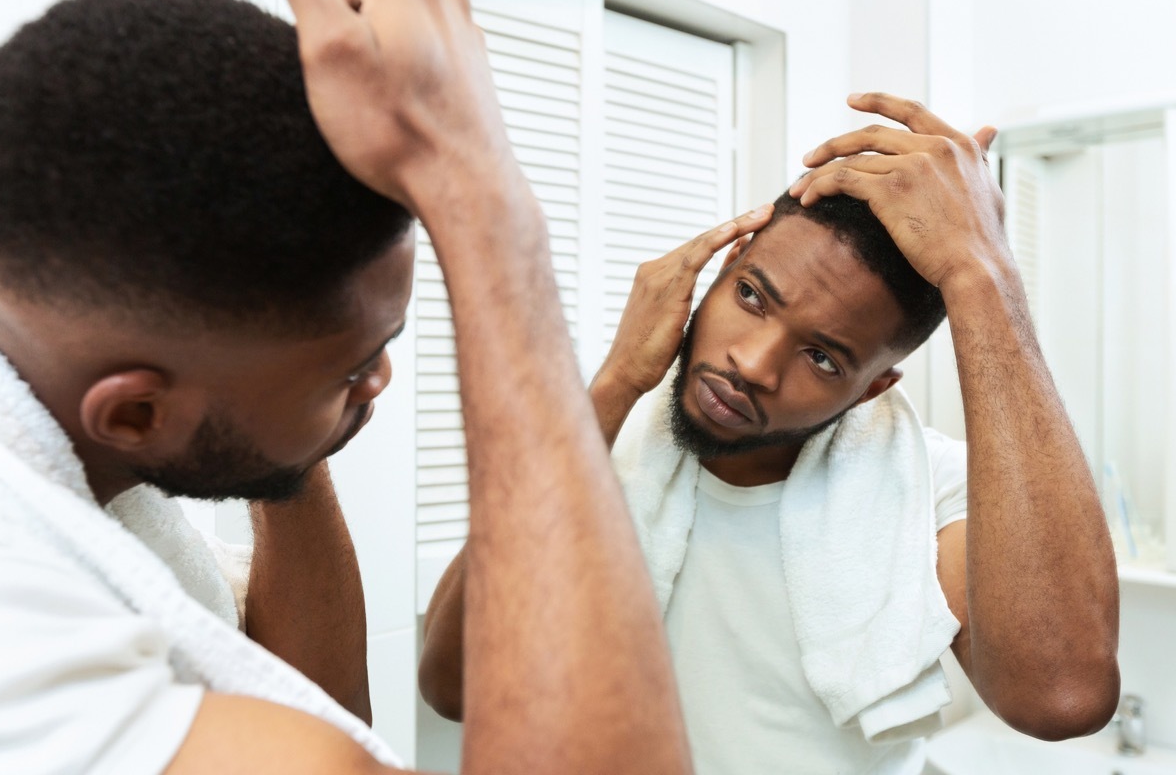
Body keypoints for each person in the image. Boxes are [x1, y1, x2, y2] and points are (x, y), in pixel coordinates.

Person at [0, 0, 694, 774]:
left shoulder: (64, 434)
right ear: (137, 414)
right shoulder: (5, 633)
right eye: (352, 368)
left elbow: (316, 705)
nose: (379, 378)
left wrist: (279, 428)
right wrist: (481, 202)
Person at [419, 94, 1122, 773]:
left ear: (873, 387)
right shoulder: (600, 442)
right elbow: (452, 685)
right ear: (722, 268)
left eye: (823, 357)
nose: (750, 365)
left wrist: (983, 273)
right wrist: (611, 386)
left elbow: (1062, 697)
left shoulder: (930, 492)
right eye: (752, 296)